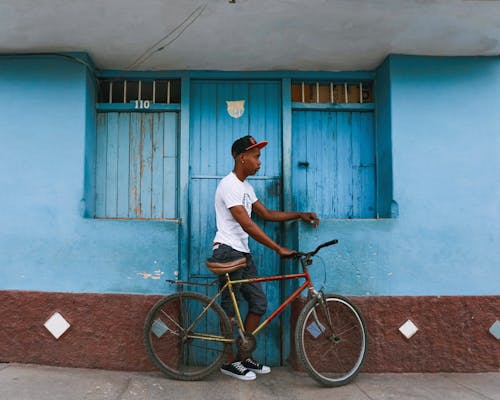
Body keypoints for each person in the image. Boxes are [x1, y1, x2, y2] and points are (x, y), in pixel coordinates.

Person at [209, 135, 319, 381]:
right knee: (230, 307)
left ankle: (243, 357)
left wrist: (298, 215)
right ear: (242, 157)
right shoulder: (228, 185)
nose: (260, 162)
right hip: (227, 250)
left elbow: (266, 214)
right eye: (256, 157)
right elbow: (247, 224)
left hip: (243, 252)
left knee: (258, 303)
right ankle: (228, 363)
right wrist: (278, 248)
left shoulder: (247, 188)